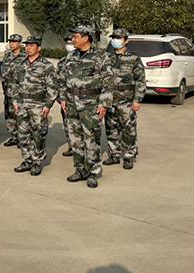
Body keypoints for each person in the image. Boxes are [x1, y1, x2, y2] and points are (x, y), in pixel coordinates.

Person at [59, 25, 113, 189]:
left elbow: (108, 81)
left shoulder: (100, 56)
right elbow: (62, 79)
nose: (72, 39)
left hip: (90, 105)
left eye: (76, 36)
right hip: (71, 104)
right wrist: (62, 98)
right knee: (75, 139)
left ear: (86, 38)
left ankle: (93, 172)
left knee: (91, 139)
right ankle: (80, 170)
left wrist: (104, 104)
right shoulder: (71, 56)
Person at [11, 36, 57, 176]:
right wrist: (15, 101)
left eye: (32, 45)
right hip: (22, 104)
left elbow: (52, 88)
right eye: (27, 45)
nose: (28, 48)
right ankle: (27, 160)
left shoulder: (46, 66)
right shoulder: (21, 65)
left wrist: (48, 105)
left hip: (38, 105)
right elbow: (14, 84)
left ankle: (37, 161)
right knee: (23, 134)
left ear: (39, 48)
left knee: (38, 134)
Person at [104, 28, 146, 170]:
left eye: (119, 38)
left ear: (126, 41)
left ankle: (129, 156)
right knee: (111, 128)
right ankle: (114, 155)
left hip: (126, 100)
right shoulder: (107, 58)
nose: (115, 40)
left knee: (128, 129)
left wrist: (137, 99)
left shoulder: (133, 58)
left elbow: (140, 80)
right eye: (114, 38)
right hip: (110, 99)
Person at [1, 34, 25, 147]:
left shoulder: (25, 56)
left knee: (20, 115)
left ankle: (22, 138)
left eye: (14, 42)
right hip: (8, 90)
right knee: (9, 114)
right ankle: (14, 136)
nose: (11, 44)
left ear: (20, 43)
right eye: (10, 41)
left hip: (19, 91)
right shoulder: (7, 56)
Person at [56, 36, 76, 157]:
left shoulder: (86, 59)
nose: (69, 45)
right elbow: (58, 80)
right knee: (68, 124)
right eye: (68, 43)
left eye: (71, 43)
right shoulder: (62, 61)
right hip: (67, 99)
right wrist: (59, 96)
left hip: (84, 99)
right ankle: (72, 146)